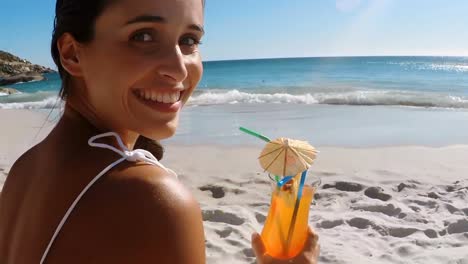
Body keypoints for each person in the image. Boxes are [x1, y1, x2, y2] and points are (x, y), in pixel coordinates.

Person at [0, 0, 320, 263]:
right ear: (72, 53)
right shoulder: (153, 201)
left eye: (189, 40)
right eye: (143, 36)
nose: (179, 68)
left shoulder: (24, 171)